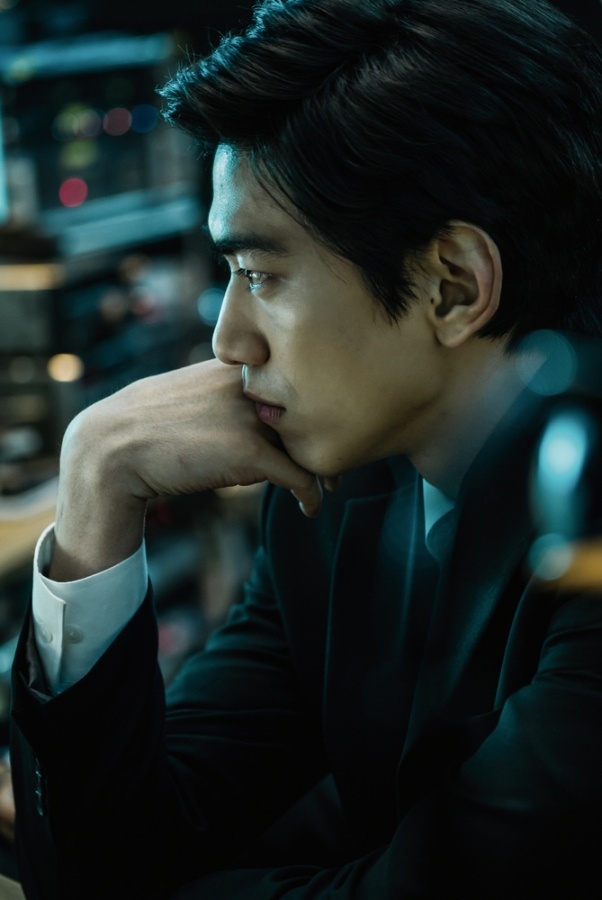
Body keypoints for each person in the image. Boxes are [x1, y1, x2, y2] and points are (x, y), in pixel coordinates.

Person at [9, 0, 602, 896]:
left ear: (452, 285)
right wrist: (97, 478)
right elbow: (115, 851)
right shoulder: (343, 489)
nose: (227, 342)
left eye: (260, 274)